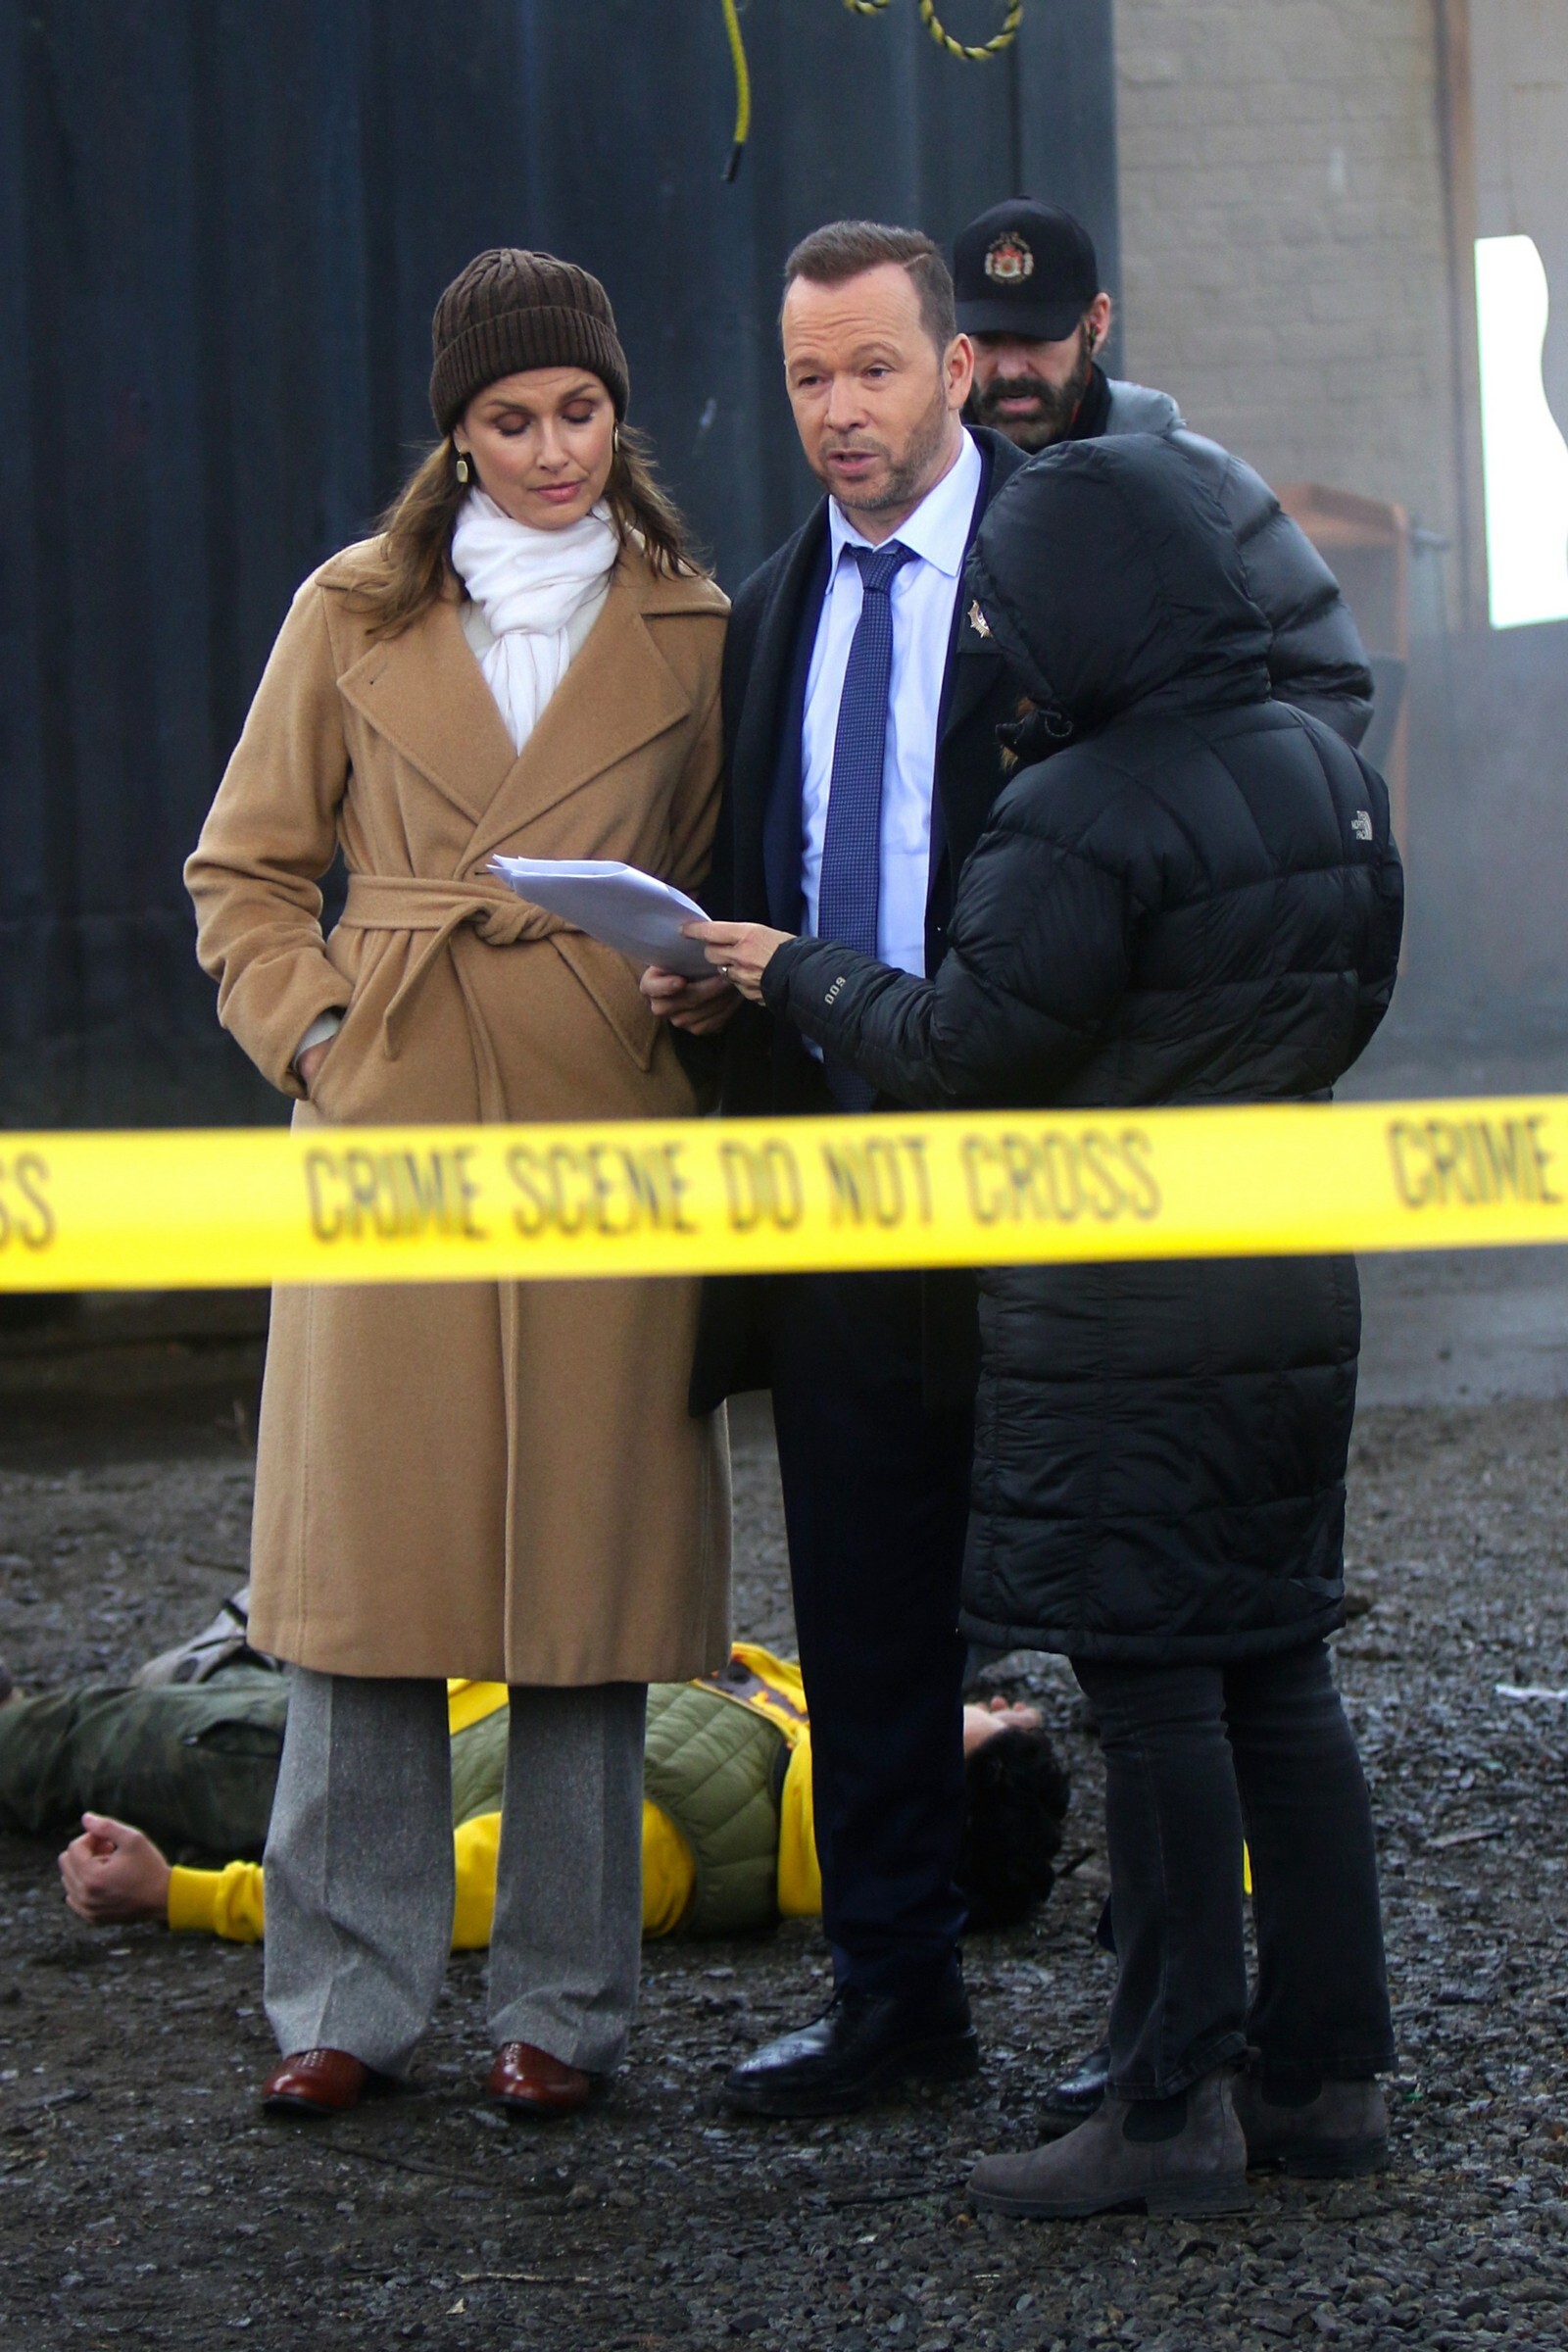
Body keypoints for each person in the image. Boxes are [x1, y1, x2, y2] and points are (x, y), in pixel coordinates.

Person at [687, 432, 1402, 2219]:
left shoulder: (1078, 809)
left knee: (1152, 1691)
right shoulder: (1326, 769)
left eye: (1014, 604)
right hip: (1288, 1274)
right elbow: (1351, 1000)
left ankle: (1167, 2102)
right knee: (1279, 1672)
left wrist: (789, 968)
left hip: (1124, 1307)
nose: (998, 633)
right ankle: (1325, 2082)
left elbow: (962, 1046)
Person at [183, 249, 731, 2121]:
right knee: (368, 1580)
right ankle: (344, 1999)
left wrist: (699, 991)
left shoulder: (693, 624)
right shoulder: (350, 610)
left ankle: (565, 2011)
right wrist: (326, 1040)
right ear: (458, 432)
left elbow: (730, 879)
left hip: (605, 1116)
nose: (553, 447)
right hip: (395, 1106)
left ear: (617, 414)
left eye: (580, 410)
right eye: (513, 418)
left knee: (586, 1581)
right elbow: (245, 871)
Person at [641, 221, 1034, 2120]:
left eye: (874, 368)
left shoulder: (1062, 565)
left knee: (1115, 1598)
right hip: (828, 1181)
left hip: (1036, 1177)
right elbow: (769, 875)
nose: (839, 410)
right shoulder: (773, 608)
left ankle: (1179, 2023)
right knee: (866, 1608)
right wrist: (703, 981)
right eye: (808, 377)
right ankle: (897, 2000)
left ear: (954, 369)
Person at [10, 1650, 1064, 1949]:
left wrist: (177, 1895)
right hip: (424, 1678)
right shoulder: (808, 1747)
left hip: (332, 1757)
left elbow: (422, 1891)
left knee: (65, 1739)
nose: (979, 1699)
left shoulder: (674, 1843)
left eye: (972, 1721)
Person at [955, 198, 1374, 746]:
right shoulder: (926, 494)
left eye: (1036, 338)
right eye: (988, 340)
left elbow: (1330, 679)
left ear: (1096, 323)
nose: (1011, 368)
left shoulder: (1202, 486)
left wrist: (1209, 792)